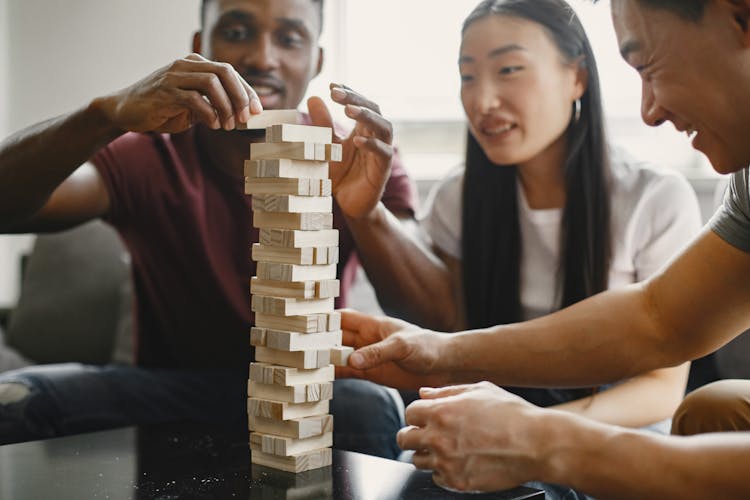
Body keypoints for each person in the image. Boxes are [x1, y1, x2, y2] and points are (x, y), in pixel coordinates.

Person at [338, 0, 750, 496]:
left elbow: (658, 372)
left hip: (601, 426)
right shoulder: (461, 193)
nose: (649, 111)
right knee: (718, 407)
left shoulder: (651, 193)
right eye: (468, 76)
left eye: (648, 66)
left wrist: (540, 438)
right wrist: (439, 351)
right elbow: (659, 317)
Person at [0, 0, 417, 459]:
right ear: (201, 49)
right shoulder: (147, 152)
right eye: (237, 32)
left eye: (289, 38)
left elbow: (431, 311)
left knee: (367, 405)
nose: (262, 57)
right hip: (172, 394)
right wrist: (106, 114)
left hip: (310, 391)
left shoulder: (358, 155)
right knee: (18, 399)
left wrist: (366, 211)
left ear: (315, 60)